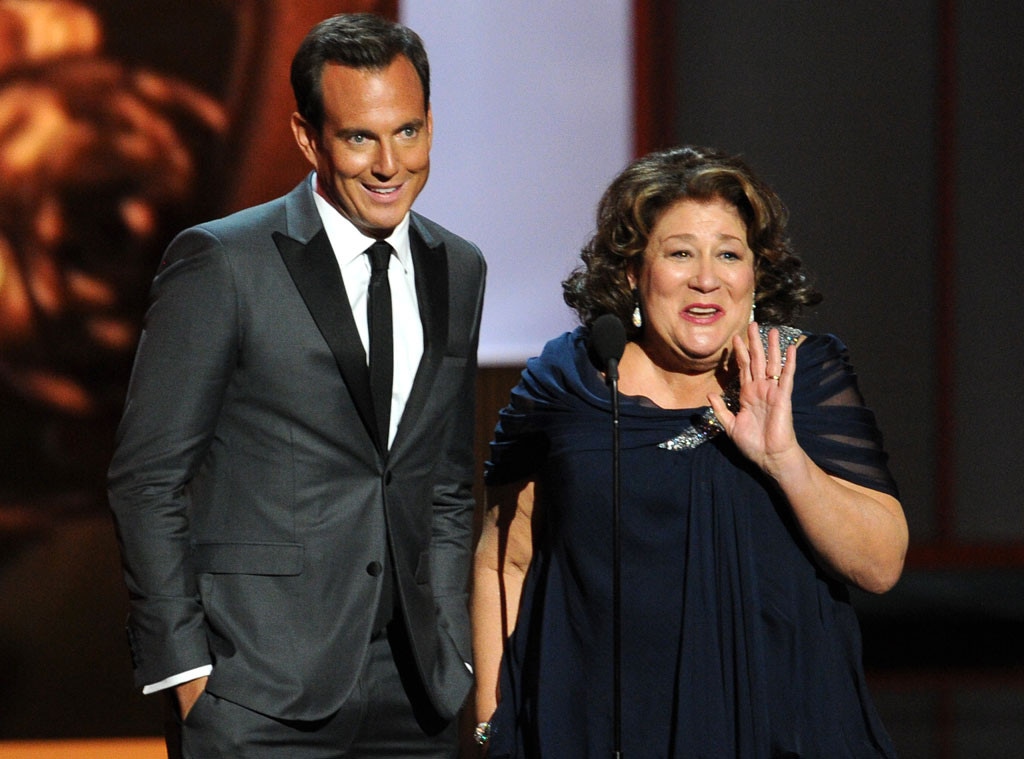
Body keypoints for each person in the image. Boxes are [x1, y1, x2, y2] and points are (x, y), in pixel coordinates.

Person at [108, 12, 486, 758]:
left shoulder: (459, 266)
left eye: (407, 131)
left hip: (416, 691)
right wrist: (188, 671)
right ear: (308, 138)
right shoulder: (223, 262)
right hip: (256, 690)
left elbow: (442, 480)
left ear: (431, 126)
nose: (388, 163)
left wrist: (454, 642)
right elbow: (146, 478)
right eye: (358, 137)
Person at [472, 146, 907, 757]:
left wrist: (785, 459)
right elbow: (506, 563)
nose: (707, 277)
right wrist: (493, 725)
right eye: (680, 253)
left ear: (756, 273)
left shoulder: (801, 375)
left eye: (729, 253)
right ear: (631, 272)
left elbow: (879, 565)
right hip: (596, 732)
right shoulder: (567, 385)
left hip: (780, 727)